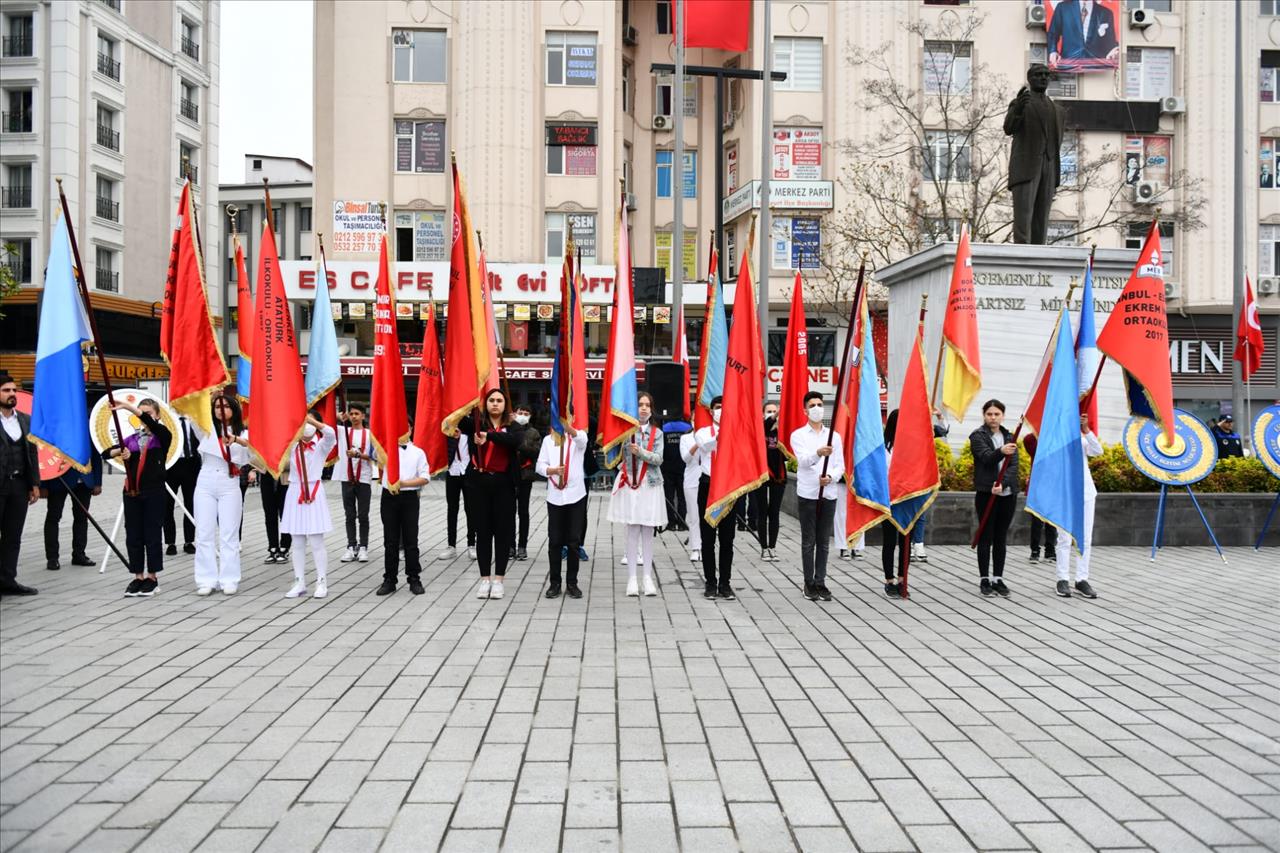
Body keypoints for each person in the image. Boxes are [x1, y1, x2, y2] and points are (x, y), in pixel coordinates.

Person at [103, 397, 172, 597]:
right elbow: (105, 454)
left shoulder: (162, 436)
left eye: (149, 413)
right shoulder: (132, 439)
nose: (143, 417)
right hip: (131, 492)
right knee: (133, 535)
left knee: (151, 534)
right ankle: (138, 576)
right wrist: (119, 451)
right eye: (141, 413)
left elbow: (151, 424)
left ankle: (152, 577)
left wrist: (128, 407)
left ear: (157, 415)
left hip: (154, 492)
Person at [457, 389, 522, 600]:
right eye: (491, 400)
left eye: (499, 401)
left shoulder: (513, 426)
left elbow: (515, 441)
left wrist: (490, 436)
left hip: (504, 484)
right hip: (478, 483)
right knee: (482, 533)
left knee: (503, 534)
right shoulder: (475, 424)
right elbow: (456, 418)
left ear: (505, 405)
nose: (495, 404)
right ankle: (484, 579)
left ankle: (499, 580)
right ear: (485, 404)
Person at [193, 393, 251, 595]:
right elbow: (193, 416)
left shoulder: (243, 433)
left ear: (234, 410)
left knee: (229, 533)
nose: (221, 409)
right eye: (217, 406)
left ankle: (229, 578)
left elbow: (254, 451)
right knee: (204, 532)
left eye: (226, 406)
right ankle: (206, 579)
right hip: (206, 479)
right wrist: (208, 396)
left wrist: (236, 440)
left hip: (229, 482)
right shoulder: (206, 429)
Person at [608, 391, 665, 597]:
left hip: (649, 484)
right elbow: (615, 455)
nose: (643, 408)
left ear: (651, 409)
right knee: (632, 531)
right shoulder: (625, 431)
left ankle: (647, 577)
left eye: (647, 405)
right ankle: (632, 578)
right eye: (640, 404)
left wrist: (640, 451)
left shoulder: (658, 433)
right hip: (630, 483)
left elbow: (658, 459)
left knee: (648, 533)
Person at [791, 392, 843, 602]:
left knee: (823, 541)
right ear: (805, 410)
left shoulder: (834, 436)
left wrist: (830, 477)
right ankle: (808, 583)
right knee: (808, 541)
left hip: (828, 493)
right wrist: (818, 454)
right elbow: (802, 461)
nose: (817, 408)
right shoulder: (798, 435)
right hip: (808, 494)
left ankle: (821, 581)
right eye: (812, 405)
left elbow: (840, 464)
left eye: (820, 404)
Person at [1003, 64, 1064, 245]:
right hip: (1026, 167)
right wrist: (1018, 110)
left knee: (1042, 216)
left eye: (1046, 74)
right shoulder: (1021, 103)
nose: (1044, 78)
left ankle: (1040, 253)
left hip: (1049, 165)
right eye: (1038, 75)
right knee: (1024, 215)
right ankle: (1021, 254)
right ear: (1030, 79)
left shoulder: (1058, 110)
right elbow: (1008, 128)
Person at [280, 410, 336, 599]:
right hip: (295, 490)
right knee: (297, 541)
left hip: (314, 491)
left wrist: (313, 421)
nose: (307, 425)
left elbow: (331, 435)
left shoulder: (321, 445)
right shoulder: (292, 445)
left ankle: (321, 581)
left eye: (311, 421)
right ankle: (299, 581)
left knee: (316, 540)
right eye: (304, 421)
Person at [970, 399, 1020, 597]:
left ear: (1003, 416)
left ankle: (998, 578)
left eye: (997, 414)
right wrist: (1001, 451)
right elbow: (986, 458)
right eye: (989, 414)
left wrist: (1004, 484)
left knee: (1001, 537)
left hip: (1007, 494)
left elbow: (1014, 466)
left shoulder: (1009, 436)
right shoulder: (977, 436)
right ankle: (984, 579)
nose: (993, 417)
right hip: (986, 493)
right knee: (986, 535)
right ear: (984, 415)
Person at [376, 418, 431, 596]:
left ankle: (414, 578)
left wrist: (404, 483)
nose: (402, 430)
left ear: (411, 428)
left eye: (405, 427)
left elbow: (425, 477)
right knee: (390, 540)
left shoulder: (418, 452)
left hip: (409, 498)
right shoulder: (384, 450)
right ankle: (389, 579)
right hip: (389, 497)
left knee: (410, 540)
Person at [537, 423, 589, 599]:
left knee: (574, 541)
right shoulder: (548, 441)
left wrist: (570, 429)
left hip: (575, 496)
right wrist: (551, 470)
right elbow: (539, 465)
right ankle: (555, 583)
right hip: (555, 497)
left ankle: (572, 583)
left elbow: (582, 441)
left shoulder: (577, 437)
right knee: (555, 541)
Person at [0, 373, 40, 596]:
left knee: (13, 535)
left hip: (18, 485)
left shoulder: (24, 419)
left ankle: (8, 580)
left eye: (14, 390)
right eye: (7, 391)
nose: (12, 394)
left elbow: (32, 452)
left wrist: (34, 483)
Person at [1055, 414, 1103, 599]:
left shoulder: (1083, 438)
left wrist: (1086, 430)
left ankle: (1081, 579)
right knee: (1064, 538)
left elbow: (1097, 451)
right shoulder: (1056, 438)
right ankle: (1062, 579)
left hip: (1086, 492)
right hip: (1064, 493)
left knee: (1085, 538)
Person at [695, 396, 735, 600]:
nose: (720, 410)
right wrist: (721, 437)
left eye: (724, 407)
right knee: (708, 539)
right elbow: (706, 446)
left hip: (729, 487)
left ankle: (725, 583)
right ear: (711, 411)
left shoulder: (736, 432)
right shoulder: (702, 432)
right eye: (717, 408)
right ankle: (710, 583)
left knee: (727, 540)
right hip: (708, 486)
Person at [43, 453, 102, 571]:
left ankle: (79, 554)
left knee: (81, 518)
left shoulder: (88, 433)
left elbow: (95, 455)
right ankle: (52, 557)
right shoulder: (56, 432)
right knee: (53, 518)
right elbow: (45, 453)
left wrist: (97, 482)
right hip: (59, 478)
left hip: (84, 478)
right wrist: (43, 485)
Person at [334, 403, 374, 564]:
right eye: (351, 414)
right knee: (349, 515)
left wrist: (358, 455)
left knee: (363, 515)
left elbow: (375, 456)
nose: (354, 416)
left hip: (364, 478)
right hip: (346, 478)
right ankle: (351, 545)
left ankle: (363, 546)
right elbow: (326, 424)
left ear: (363, 416)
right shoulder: (343, 431)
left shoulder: (370, 434)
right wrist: (336, 416)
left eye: (357, 413)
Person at [909, 410, 949, 564]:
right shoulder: (905, 431)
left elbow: (943, 431)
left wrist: (939, 417)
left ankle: (918, 545)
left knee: (921, 513)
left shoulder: (928, 430)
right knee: (910, 513)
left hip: (925, 477)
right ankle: (908, 545)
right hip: (908, 478)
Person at [879, 410, 910, 598]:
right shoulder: (883, 447)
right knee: (889, 541)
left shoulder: (912, 446)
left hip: (908, 500)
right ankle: (889, 580)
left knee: (905, 542)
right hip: (890, 499)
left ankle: (902, 579)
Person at [163, 412, 201, 556]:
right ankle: (170, 542)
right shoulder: (168, 419)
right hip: (171, 465)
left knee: (190, 504)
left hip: (191, 464)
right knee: (167, 505)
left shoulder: (194, 419)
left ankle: (189, 541)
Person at [753, 402, 786, 563]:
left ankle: (772, 547)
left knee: (774, 512)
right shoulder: (759, 428)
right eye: (769, 411)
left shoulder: (783, 430)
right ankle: (764, 548)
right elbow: (765, 425)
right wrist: (774, 417)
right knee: (762, 512)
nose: (773, 413)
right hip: (761, 475)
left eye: (774, 411)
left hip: (779, 475)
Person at [1046, 0, 1119, 70]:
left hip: (1096, 67)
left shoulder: (1106, 13)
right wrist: (1053, 51)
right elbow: (1053, 33)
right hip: (1068, 64)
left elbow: (1110, 42)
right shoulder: (1063, 8)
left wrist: (1115, 49)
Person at [439, 434, 475, 560]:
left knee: (471, 509)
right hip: (452, 471)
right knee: (452, 509)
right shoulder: (448, 432)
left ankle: (472, 544)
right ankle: (451, 546)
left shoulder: (471, 430)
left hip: (469, 472)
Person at [512, 404, 541, 561]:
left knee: (523, 512)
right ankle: (510, 545)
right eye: (520, 413)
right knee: (509, 513)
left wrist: (520, 444)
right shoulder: (509, 428)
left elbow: (535, 452)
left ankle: (522, 546)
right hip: (509, 476)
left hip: (525, 476)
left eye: (526, 413)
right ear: (515, 414)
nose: (523, 415)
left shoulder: (533, 432)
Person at [1022, 433, 1056, 565]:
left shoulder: (1057, 443)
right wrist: (1038, 432)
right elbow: (1027, 440)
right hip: (1038, 485)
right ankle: (1035, 551)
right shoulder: (1036, 444)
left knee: (1052, 521)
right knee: (1036, 520)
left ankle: (1050, 551)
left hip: (1054, 485)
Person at [258, 469, 291, 564]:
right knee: (269, 515)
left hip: (284, 478)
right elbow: (255, 457)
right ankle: (273, 547)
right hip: (267, 477)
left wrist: (281, 463)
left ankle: (285, 547)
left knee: (285, 515)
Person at [680, 425, 702, 562]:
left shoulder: (712, 435)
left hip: (709, 479)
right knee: (694, 516)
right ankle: (695, 547)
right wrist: (697, 445)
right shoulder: (685, 438)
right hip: (692, 480)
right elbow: (686, 458)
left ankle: (705, 544)